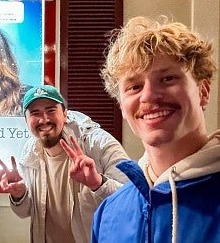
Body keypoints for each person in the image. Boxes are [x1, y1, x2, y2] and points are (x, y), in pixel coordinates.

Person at [92, 16, 220, 243]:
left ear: (203, 91)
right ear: (122, 105)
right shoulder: (108, 214)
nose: (149, 96)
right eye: (134, 86)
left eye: (168, 78)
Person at [0, 85, 129, 243]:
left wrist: (98, 184)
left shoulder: (98, 143)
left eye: (51, 110)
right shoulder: (30, 153)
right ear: (26, 121)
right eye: (35, 113)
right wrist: (19, 194)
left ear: (65, 114)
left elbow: (132, 200)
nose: (44, 119)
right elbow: (25, 212)